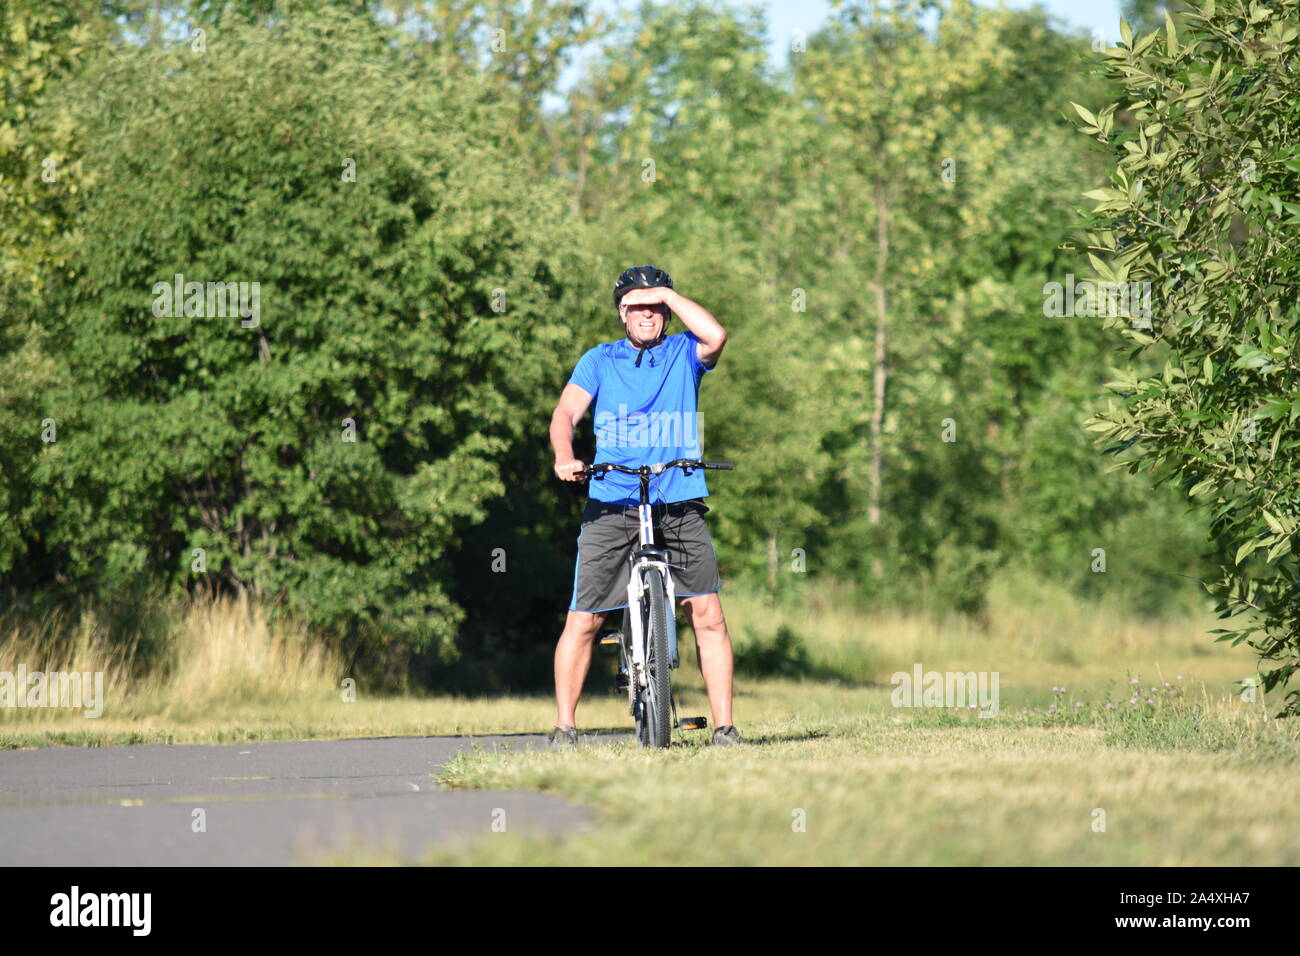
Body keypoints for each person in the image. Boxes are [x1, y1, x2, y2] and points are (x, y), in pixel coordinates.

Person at [548, 264, 742, 748]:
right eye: (637, 305)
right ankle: (565, 726)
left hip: (678, 496)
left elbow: (716, 333)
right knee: (585, 617)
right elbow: (566, 412)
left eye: (656, 305)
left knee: (708, 614)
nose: (648, 313)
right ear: (621, 313)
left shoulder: (684, 352)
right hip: (611, 498)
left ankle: (724, 727)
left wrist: (668, 295)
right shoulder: (599, 359)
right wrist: (565, 455)